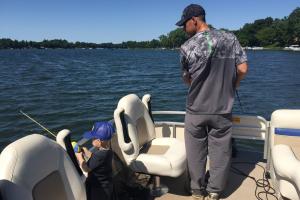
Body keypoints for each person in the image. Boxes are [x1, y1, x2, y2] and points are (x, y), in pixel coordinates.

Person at [176, 4, 248, 200]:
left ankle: (197, 191)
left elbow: (187, 79)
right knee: (220, 152)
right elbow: (242, 69)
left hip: (196, 109)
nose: (183, 29)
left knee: (195, 152)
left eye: (184, 25)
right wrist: (232, 86)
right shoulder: (229, 38)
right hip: (222, 109)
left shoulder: (186, 47)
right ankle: (215, 190)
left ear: (194, 20)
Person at [75, 122, 115, 200]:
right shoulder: (108, 151)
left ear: (99, 141)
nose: (91, 140)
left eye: (93, 138)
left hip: (99, 188)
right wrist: (86, 151)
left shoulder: (99, 155)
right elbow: (97, 159)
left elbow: (86, 168)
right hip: (107, 183)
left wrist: (80, 157)